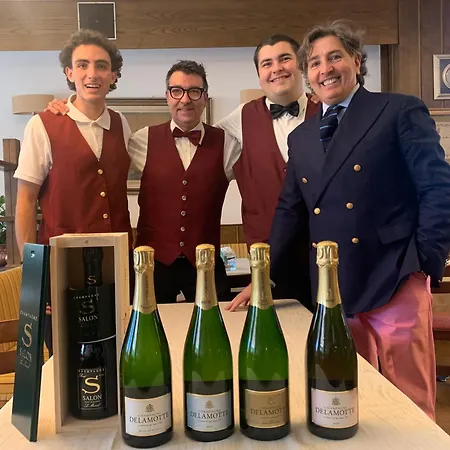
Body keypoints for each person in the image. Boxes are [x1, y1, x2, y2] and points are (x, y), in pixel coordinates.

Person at [228, 20, 450, 421]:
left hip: (395, 274)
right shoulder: (301, 137)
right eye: (315, 62)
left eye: (335, 57)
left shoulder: (397, 110)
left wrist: (424, 261)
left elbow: (437, 188)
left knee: (410, 399)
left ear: (357, 62)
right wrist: (264, 277)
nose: (325, 69)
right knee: (345, 395)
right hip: (334, 286)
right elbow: (289, 211)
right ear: (307, 74)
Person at [14, 29, 133, 355]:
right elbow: (25, 201)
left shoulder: (121, 124)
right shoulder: (42, 125)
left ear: (113, 75)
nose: (92, 74)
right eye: (82, 65)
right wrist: (35, 275)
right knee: (67, 365)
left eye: (101, 65)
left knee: (119, 358)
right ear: (69, 73)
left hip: (116, 268)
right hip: (62, 271)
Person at [217, 35, 320, 306]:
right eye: (267, 63)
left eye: (285, 59)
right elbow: (203, 148)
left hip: (323, 253)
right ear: (259, 75)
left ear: (301, 64)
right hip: (267, 257)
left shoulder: (328, 110)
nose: (277, 69)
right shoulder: (241, 117)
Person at [129, 60, 240, 303]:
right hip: (152, 265)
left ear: (205, 97)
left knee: (217, 325)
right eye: (177, 91)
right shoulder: (141, 140)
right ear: (167, 96)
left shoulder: (228, 144)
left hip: (206, 264)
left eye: (194, 91)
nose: (185, 99)